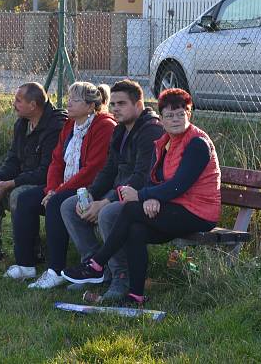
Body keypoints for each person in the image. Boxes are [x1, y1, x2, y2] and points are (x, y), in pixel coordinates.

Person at [62, 88, 220, 305]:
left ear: (189, 115)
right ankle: (135, 295)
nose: (175, 119)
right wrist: (152, 197)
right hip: (174, 207)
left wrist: (143, 196)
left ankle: (97, 264)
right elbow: (157, 177)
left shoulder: (197, 144)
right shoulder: (166, 141)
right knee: (136, 229)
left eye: (180, 114)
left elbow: (178, 185)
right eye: (169, 115)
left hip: (198, 213)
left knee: (130, 209)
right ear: (162, 118)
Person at [60, 79, 163, 302]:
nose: (116, 108)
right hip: (117, 191)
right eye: (113, 104)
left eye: (122, 103)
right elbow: (109, 170)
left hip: (141, 197)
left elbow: (141, 177)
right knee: (70, 205)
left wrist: (105, 202)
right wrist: (91, 193)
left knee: (108, 214)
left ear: (138, 105)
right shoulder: (120, 130)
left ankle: (121, 276)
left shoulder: (151, 131)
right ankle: (95, 269)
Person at [5, 82, 116, 288]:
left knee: (56, 203)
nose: (69, 103)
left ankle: (55, 270)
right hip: (63, 185)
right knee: (26, 199)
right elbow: (56, 161)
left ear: (91, 106)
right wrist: (50, 189)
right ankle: (25, 264)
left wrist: (57, 192)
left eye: (75, 100)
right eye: (69, 98)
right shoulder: (69, 125)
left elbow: (93, 169)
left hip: (89, 188)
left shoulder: (104, 126)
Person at [0, 82, 67, 262]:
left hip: (50, 187)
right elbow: (13, 159)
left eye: (18, 100)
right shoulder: (22, 124)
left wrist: (10, 183)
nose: (13, 104)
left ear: (33, 105)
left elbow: (47, 171)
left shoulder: (55, 127)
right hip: (25, 179)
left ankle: (33, 251)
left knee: (18, 195)